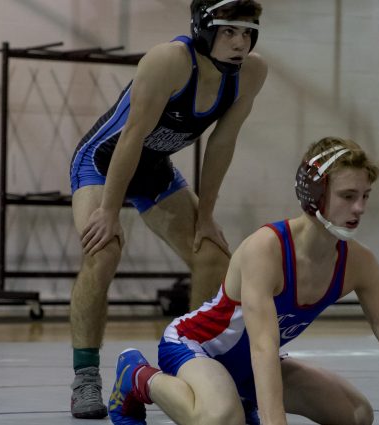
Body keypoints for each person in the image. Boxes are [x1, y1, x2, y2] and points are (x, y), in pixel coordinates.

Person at [106, 136, 379, 425]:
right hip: (196, 347)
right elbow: (263, 345)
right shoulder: (266, 249)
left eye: (365, 196)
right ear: (313, 193)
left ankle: (242, 397)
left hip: (249, 365)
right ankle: (137, 376)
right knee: (222, 419)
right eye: (347, 196)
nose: (359, 208)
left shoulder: (359, 263)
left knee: (357, 415)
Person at [67, 0, 267, 418]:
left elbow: (222, 144)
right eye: (229, 31)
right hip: (103, 163)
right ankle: (86, 376)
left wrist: (207, 215)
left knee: (211, 255)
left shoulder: (251, 73)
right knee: (103, 251)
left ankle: (191, 363)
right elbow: (130, 138)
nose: (240, 43)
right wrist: (107, 210)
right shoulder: (168, 61)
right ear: (203, 28)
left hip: (154, 169)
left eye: (248, 33)